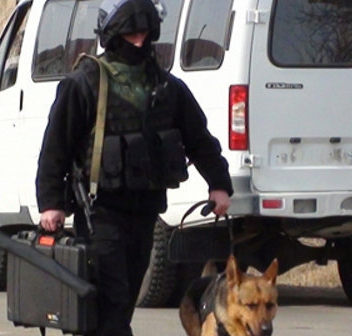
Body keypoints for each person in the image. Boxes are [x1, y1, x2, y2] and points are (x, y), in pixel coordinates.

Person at [35, 0, 233, 335]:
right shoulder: (84, 84)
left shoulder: (168, 88)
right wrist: (51, 203)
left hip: (145, 212)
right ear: (113, 34)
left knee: (123, 302)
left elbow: (200, 138)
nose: (139, 41)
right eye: (130, 33)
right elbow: (55, 148)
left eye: (144, 32)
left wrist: (219, 184)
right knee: (111, 298)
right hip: (101, 214)